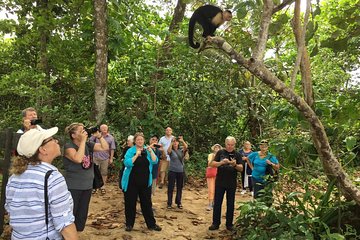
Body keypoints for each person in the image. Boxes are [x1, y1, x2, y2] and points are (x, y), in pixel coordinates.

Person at [5, 127, 78, 240]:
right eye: (52, 139)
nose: (56, 141)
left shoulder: (14, 177)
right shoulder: (52, 177)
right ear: (43, 149)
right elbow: (65, 224)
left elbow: (11, 212)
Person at [63, 123, 109, 232]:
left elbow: (105, 148)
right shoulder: (69, 146)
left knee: (82, 214)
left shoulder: (88, 144)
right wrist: (83, 141)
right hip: (73, 186)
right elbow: (78, 159)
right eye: (81, 131)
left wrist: (99, 136)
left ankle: (77, 233)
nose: (84, 132)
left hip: (87, 186)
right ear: (73, 135)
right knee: (71, 213)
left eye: (84, 130)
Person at [121, 132, 162, 232]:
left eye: (141, 139)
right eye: (138, 139)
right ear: (135, 141)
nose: (140, 141)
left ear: (144, 141)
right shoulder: (130, 150)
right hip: (131, 182)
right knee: (130, 204)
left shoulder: (147, 150)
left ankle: (151, 224)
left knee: (147, 204)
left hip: (145, 183)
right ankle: (129, 224)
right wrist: (136, 155)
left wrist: (151, 151)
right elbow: (127, 163)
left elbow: (155, 161)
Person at [208, 136, 243, 231]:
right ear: (225, 144)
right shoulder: (220, 152)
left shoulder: (237, 154)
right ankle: (215, 223)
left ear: (234, 145)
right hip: (220, 182)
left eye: (232, 145)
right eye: (228, 144)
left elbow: (241, 168)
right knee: (217, 203)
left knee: (230, 204)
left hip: (231, 183)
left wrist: (234, 164)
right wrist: (221, 163)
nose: (230, 146)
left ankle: (229, 224)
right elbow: (212, 164)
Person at [90, 124, 116, 195]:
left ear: (107, 129)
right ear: (100, 129)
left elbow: (112, 149)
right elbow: (88, 143)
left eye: (105, 128)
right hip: (95, 157)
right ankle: (94, 187)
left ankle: (102, 187)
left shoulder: (111, 138)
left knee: (104, 173)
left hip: (105, 158)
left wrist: (111, 158)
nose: (104, 129)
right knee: (95, 173)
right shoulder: (95, 136)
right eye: (103, 128)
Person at [167, 135, 188, 209]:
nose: (175, 143)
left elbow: (186, 147)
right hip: (172, 171)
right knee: (170, 187)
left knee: (179, 187)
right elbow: (168, 151)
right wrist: (171, 143)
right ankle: (169, 203)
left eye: (176, 142)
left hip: (180, 171)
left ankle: (178, 202)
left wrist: (182, 140)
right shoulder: (171, 151)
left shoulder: (181, 150)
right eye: (174, 142)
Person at [206, 144, 222, 211]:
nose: (217, 148)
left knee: (217, 189)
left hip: (219, 173)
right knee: (211, 189)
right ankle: (210, 203)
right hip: (211, 173)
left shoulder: (222, 156)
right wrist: (214, 157)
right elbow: (209, 164)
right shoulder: (210, 155)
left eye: (218, 147)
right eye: (216, 147)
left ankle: (215, 203)